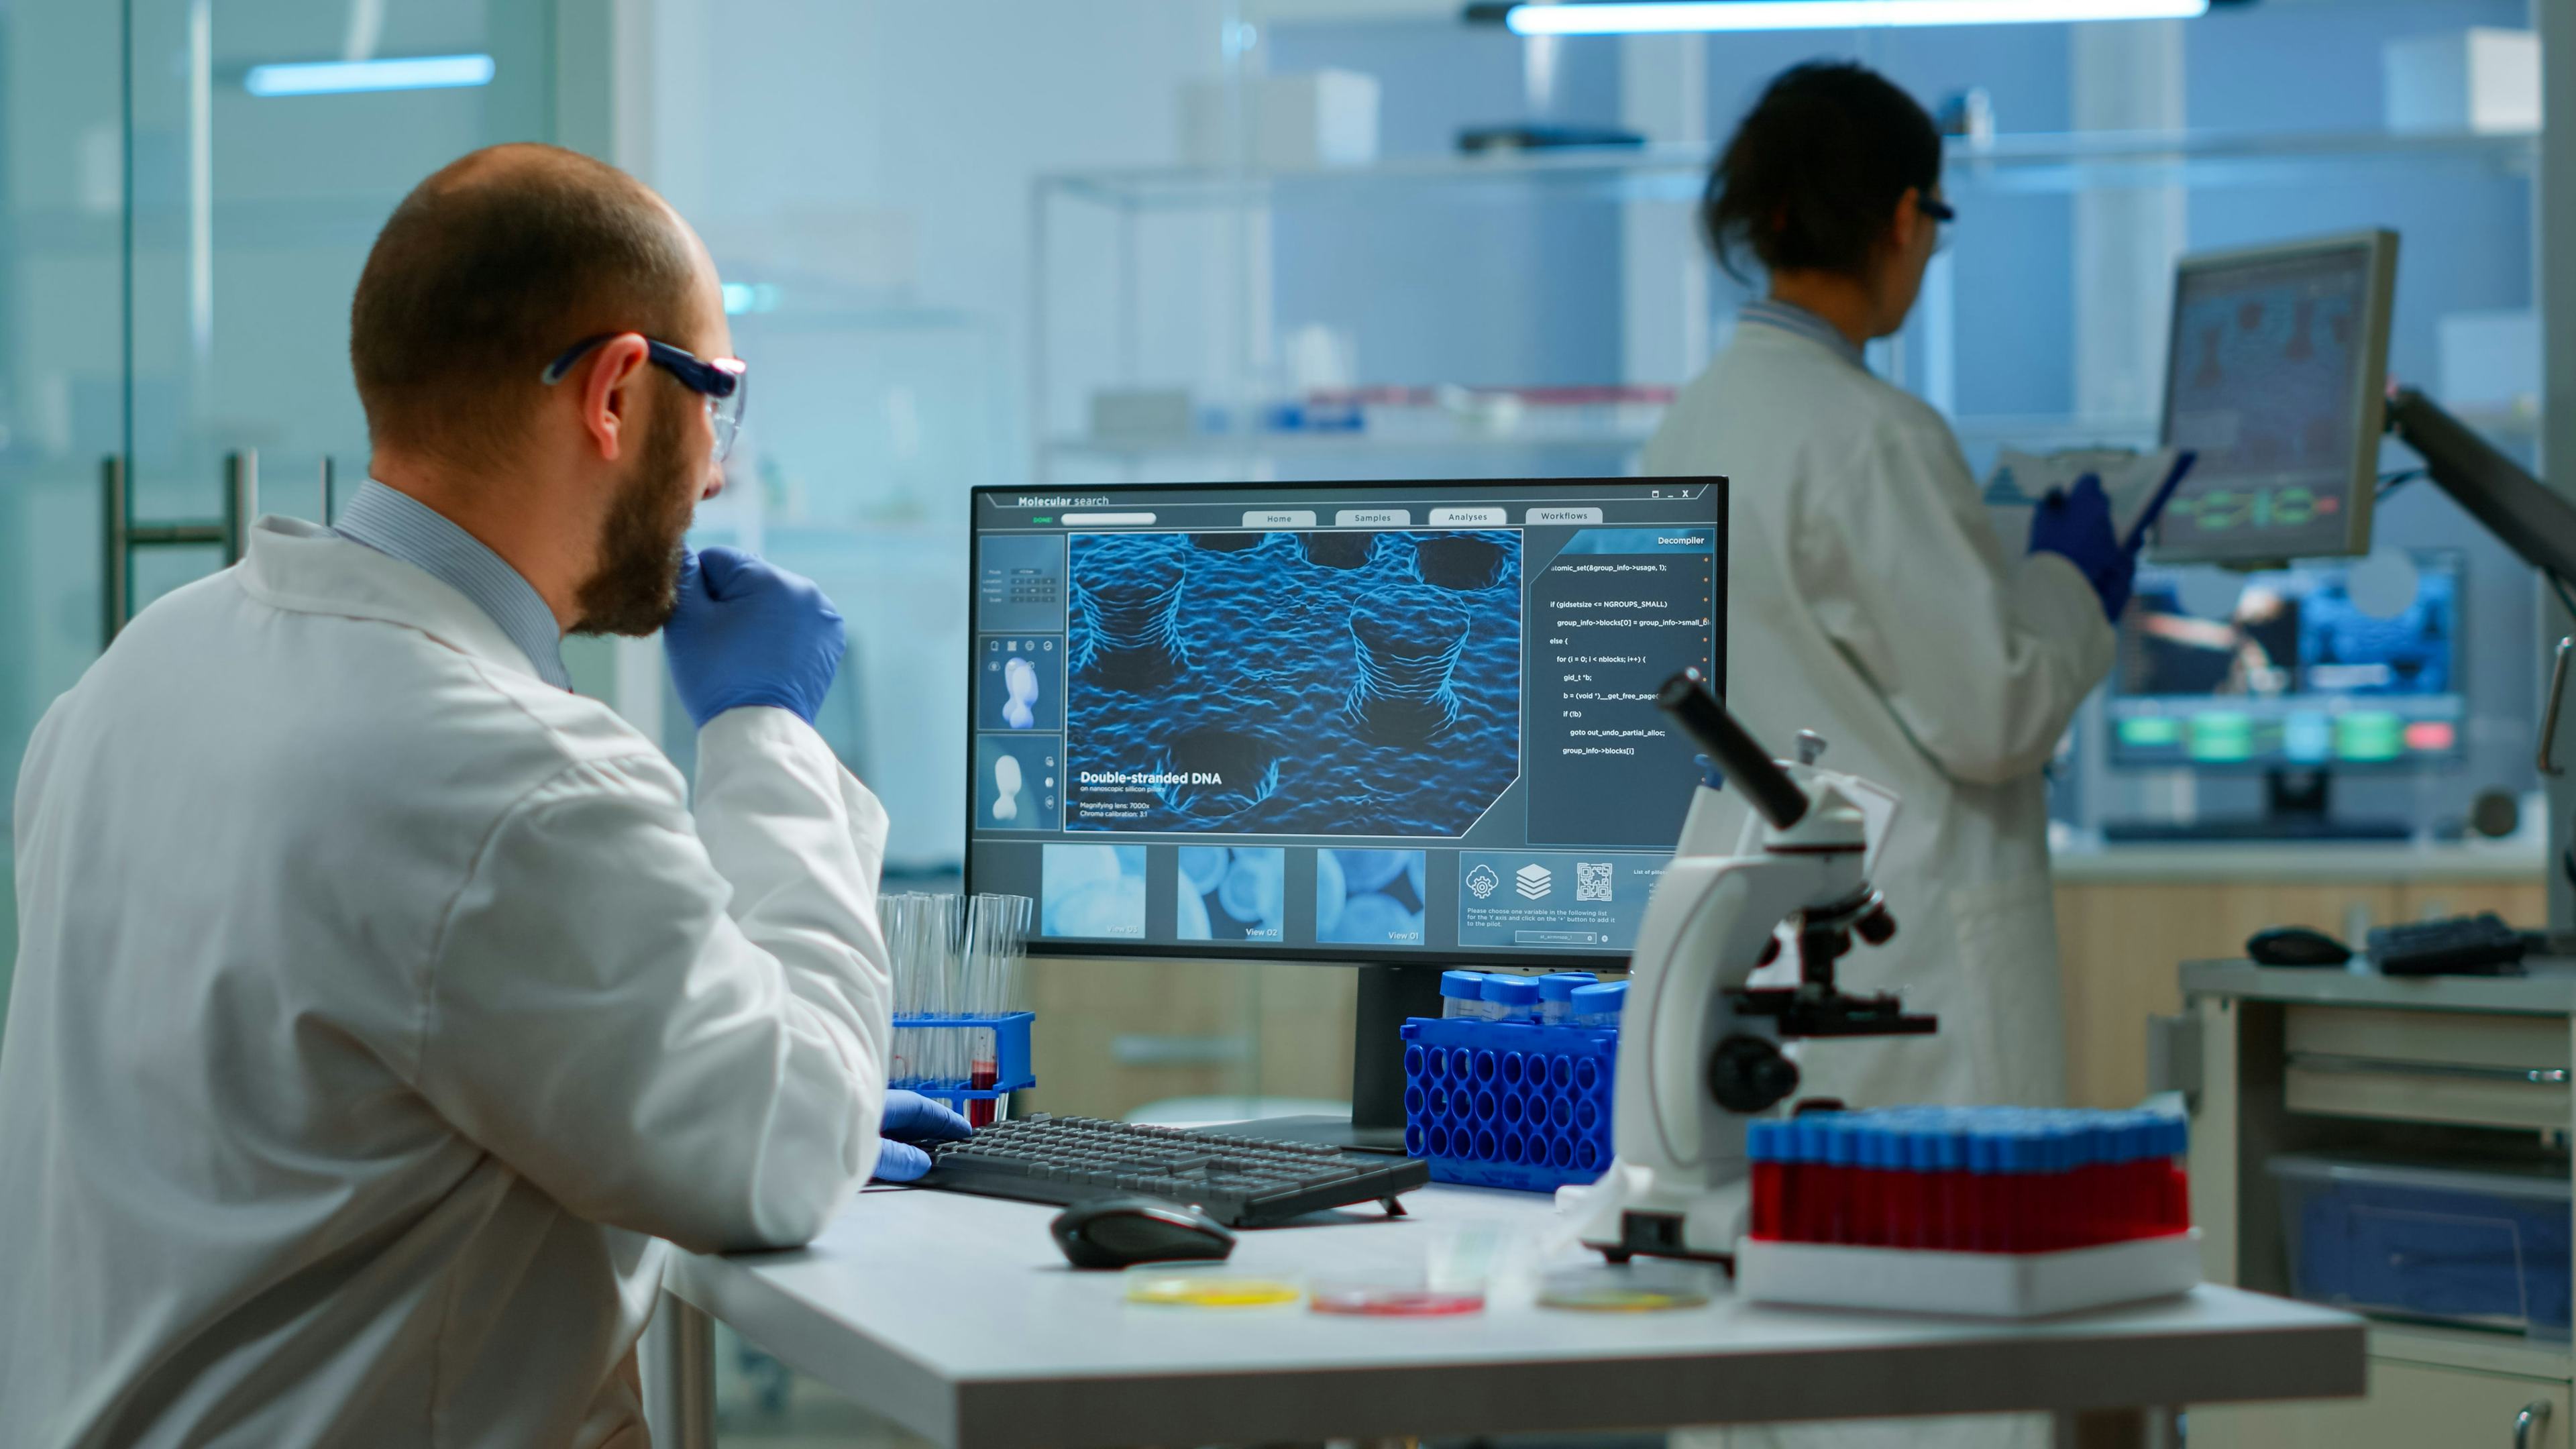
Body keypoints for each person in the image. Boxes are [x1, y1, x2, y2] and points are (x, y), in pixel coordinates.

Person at [0, 144, 971, 1448]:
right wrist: (763, 732)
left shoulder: (137, 675)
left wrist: (747, 1064)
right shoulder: (514, 774)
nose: (721, 474)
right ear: (621, 393)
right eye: (719, 401)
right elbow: (781, 1158)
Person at [1647, 64, 2139, 1116]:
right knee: (1927, 1248)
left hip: (1749, 939)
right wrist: (2070, 583)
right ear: (1907, 218)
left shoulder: (1690, 424)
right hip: (1894, 959)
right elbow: (1995, 716)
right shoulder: (1874, 437)